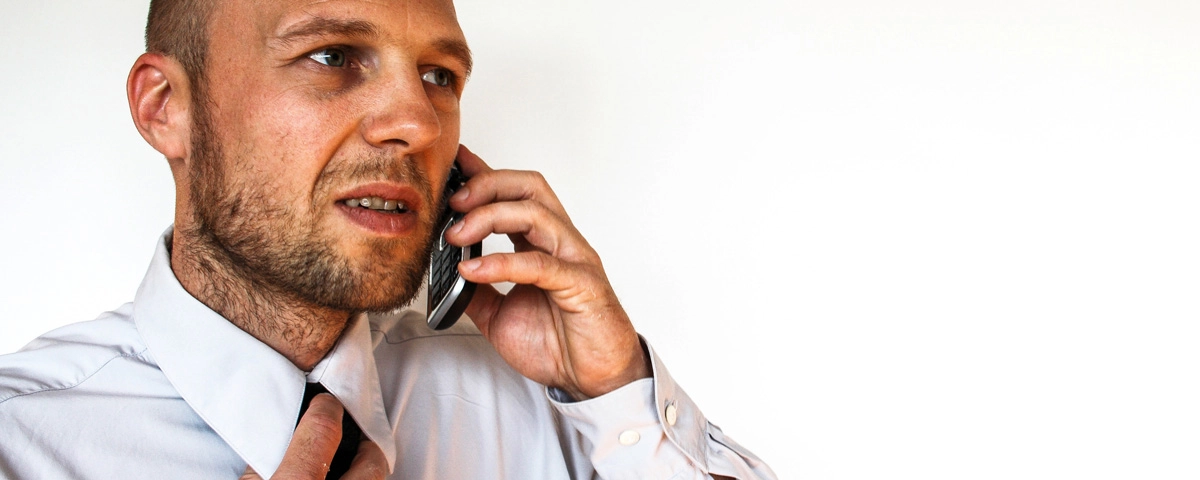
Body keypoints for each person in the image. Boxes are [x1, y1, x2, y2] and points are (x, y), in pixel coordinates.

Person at [0, 0, 776, 478]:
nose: (416, 122)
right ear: (166, 107)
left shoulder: (556, 415)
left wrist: (616, 390)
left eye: (439, 75)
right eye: (332, 57)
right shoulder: (24, 444)